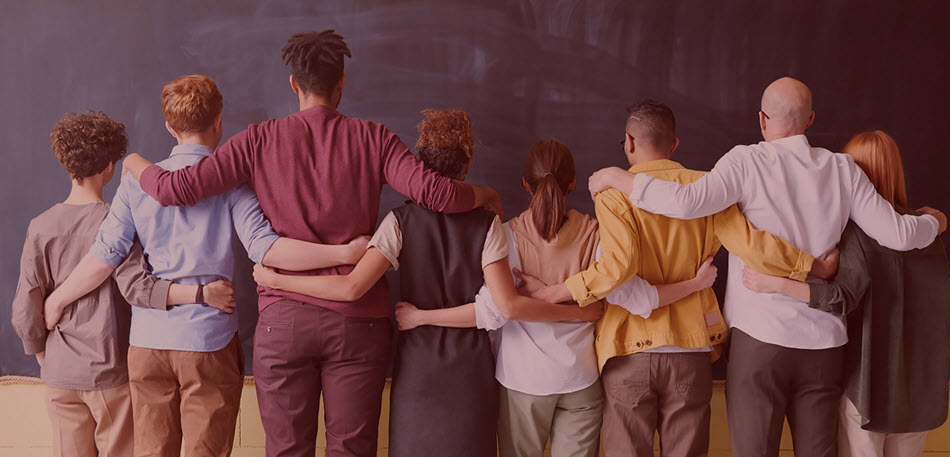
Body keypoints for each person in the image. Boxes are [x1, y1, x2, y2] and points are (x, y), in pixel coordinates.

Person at [119, 31, 503, 457]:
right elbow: (442, 196)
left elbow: (176, 190)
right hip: (358, 325)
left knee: (286, 451)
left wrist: (134, 162)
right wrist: (484, 195)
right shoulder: (374, 139)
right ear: (342, 83)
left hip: (283, 322)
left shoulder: (256, 140)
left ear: (293, 84)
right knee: (352, 450)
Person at [586, 78, 947, 457]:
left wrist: (618, 177)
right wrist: (934, 222)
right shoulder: (844, 170)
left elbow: (686, 201)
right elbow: (899, 234)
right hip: (823, 343)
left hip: (759, 340)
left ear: (762, 119)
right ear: (810, 119)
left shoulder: (745, 161)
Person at [43, 75, 368, 457]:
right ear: (218, 121)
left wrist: (57, 300)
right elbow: (267, 249)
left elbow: (104, 258)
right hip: (208, 341)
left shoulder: (135, 185)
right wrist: (345, 253)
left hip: (148, 343)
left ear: (169, 126)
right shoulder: (232, 184)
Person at [253, 109, 600, 457]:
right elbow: (502, 306)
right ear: (467, 165)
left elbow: (350, 289)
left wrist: (277, 280)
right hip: (470, 370)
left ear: (419, 163)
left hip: (418, 368)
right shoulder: (489, 225)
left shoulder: (399, 222)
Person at [522, 100, 832, 457]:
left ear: (629, 142)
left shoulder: (613, 196)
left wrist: (555, 293)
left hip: (629, 351)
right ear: (674, 144)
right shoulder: (708, 188)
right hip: (692, 350)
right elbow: (752, 245)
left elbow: (617, 268)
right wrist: (810, 266)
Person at [389, 137, 720, 457]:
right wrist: (580, 307)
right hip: (581, 377)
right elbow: (627, 296)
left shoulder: (506, 235)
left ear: (524, 183)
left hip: (522, 380)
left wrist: (535, 300)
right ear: (573, 181)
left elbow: (498, 310)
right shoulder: (596, 232)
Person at [11, 110, 231, 457]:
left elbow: (26, 303)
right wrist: (199, 294)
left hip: (58, 374)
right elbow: (137, 287)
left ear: (65, 164)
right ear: (110, 168)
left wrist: (41, 351)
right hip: (109, 371)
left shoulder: (40, 226)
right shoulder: (116, 221)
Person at [741, 130, 950, 457]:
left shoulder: (856, 232)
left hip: (868, 386)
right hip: (920, 389)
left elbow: (841, 298)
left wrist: (777, 284)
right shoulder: (928, 234)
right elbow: (945, 302)